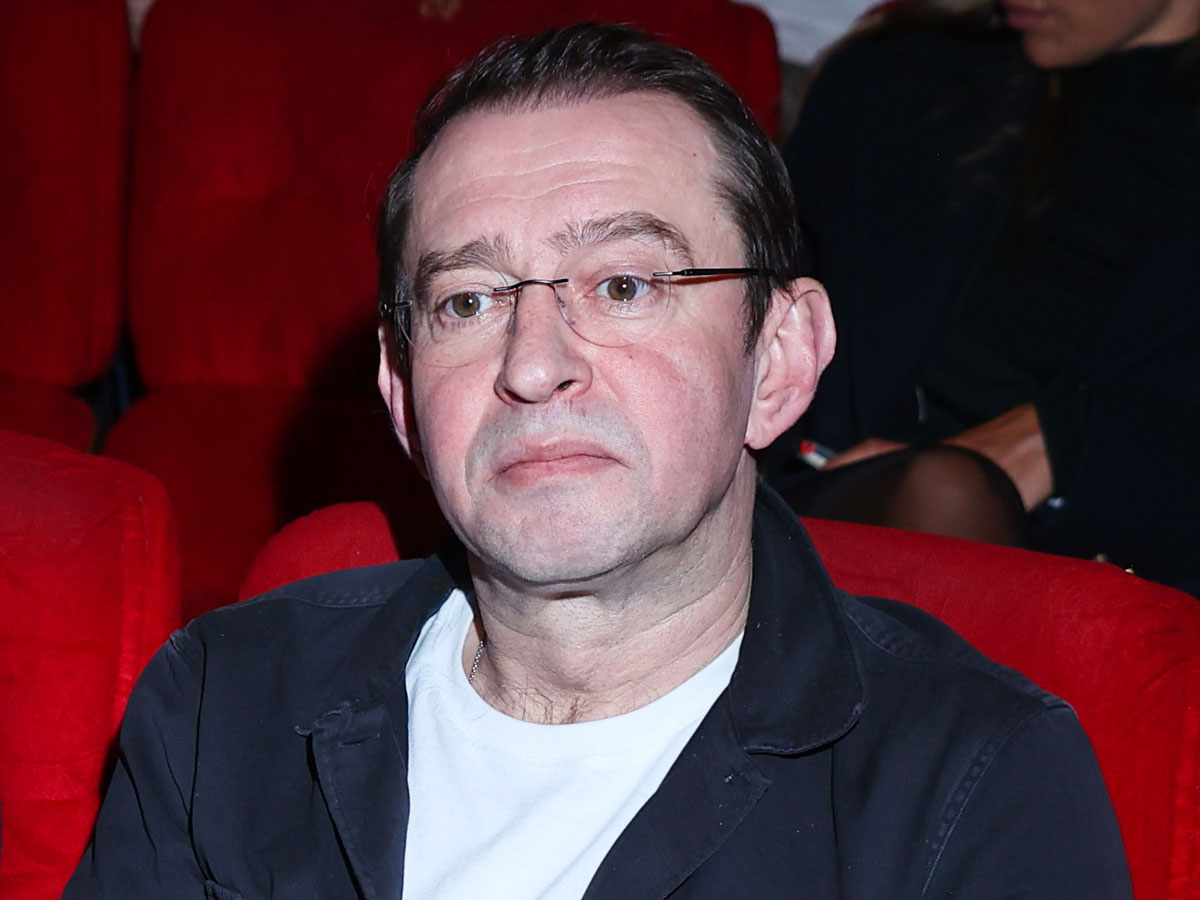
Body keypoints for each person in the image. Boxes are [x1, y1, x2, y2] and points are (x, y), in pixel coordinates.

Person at [63, 23, 1132, 899]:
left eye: (625, 285)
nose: (533, 366)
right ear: (400, 392)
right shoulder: (223, 704)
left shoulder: (975, 784)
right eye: (467, 301)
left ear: (778, 359)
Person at [769, 0, 1200, 594]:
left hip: (1105, 560)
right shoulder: (903, 78)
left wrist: (1070, 438)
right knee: (946, 492)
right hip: (836, 509)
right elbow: (761, 312)